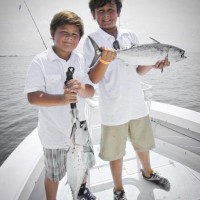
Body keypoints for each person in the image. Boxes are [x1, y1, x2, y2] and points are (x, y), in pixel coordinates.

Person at [83, 0, 171, 199]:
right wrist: (104, 59)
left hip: (137, 103)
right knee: (115, 152)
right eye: (101, 11)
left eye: (111, 10)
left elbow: (139, 69)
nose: (106, 15)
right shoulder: (90, 40)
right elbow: (94, 78)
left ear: (118, 12)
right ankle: (119, 188)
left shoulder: (130, 35)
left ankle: (148, 173)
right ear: (93, 15)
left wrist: (154, 63)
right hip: (113, 108)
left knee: (143, 144)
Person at [24, 10, 97, 200]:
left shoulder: (81, 60)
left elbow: (91, 91)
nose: (69, 38)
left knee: (83, 164)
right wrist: (61, 99)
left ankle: (81, 190)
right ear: (52, 32)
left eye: (75, 34)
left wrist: (80, 88)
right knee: (53, 174)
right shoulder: (40, 61)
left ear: (79, 38)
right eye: (64, 32)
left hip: (80, 129)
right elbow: (33, 97)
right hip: (54, 133)